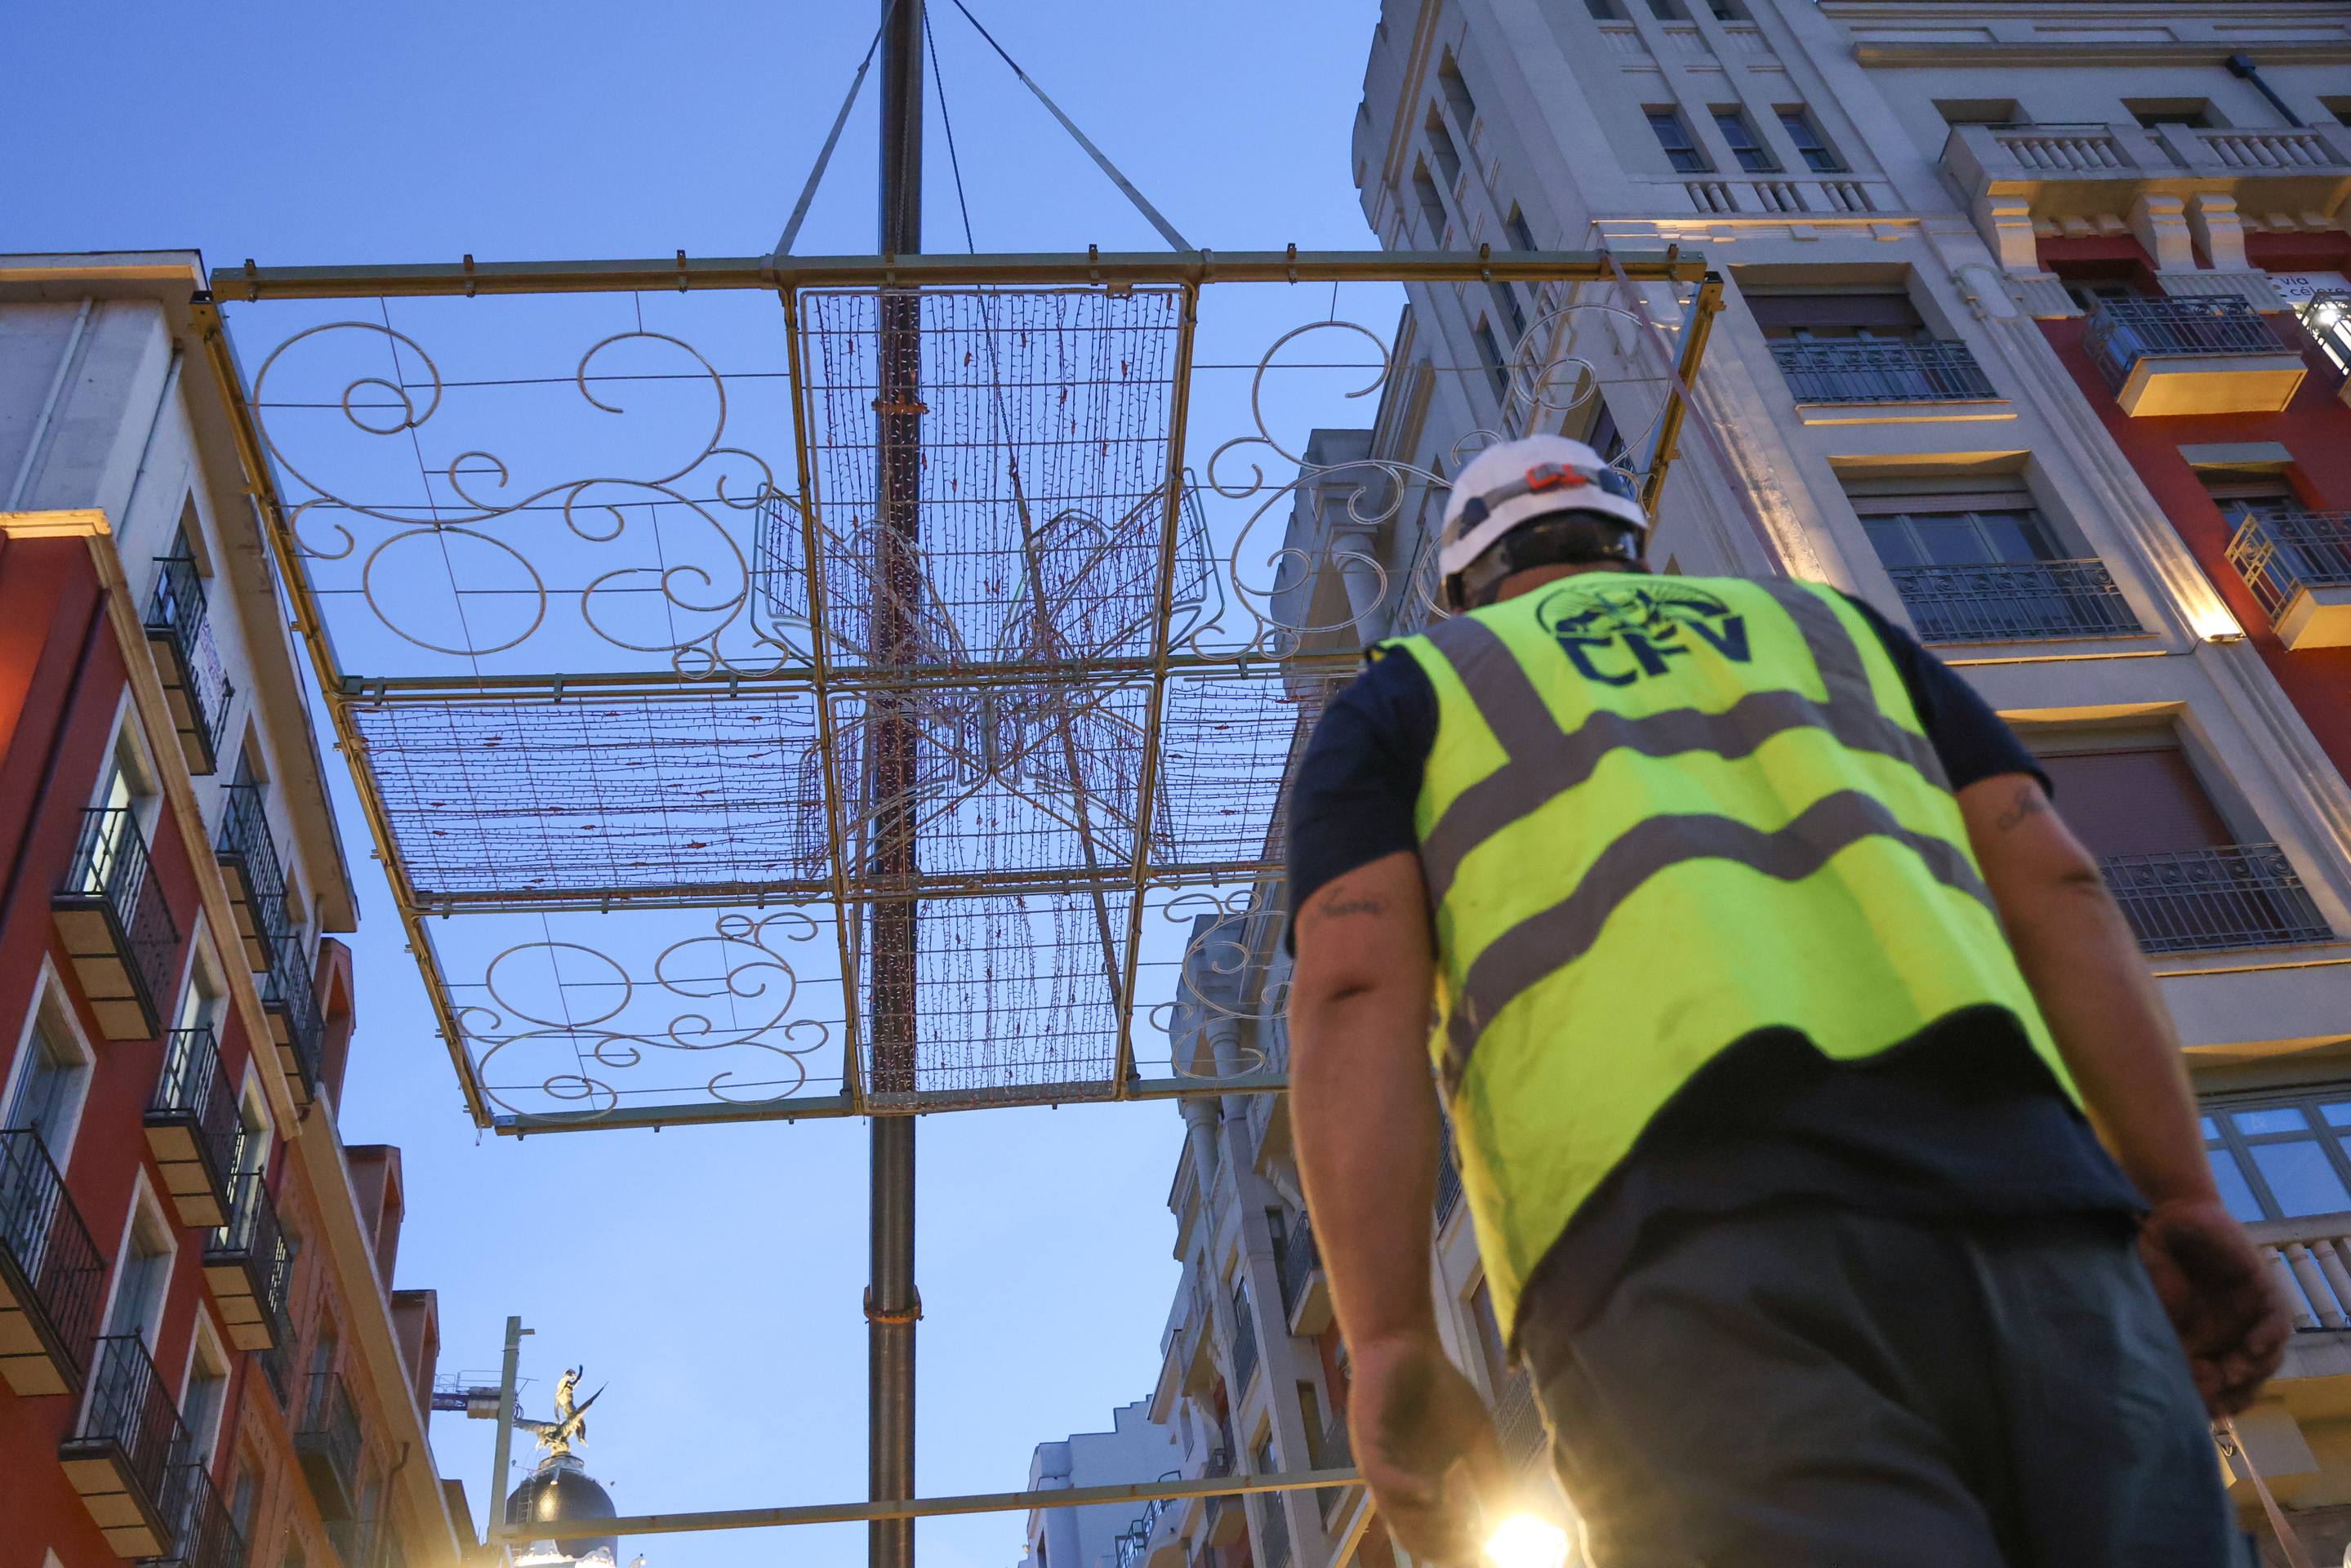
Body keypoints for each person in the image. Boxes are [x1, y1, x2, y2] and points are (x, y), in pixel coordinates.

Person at [1283, 434, 2290, 1567]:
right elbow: (2062, 886)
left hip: (1685, 1265)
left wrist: (1389, 1339)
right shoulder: (1837, 635)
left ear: (1464, 583)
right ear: (1635, 548)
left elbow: (1351, 983)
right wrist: (2179, 1192)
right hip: (2042, 1227)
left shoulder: (1410, 697)